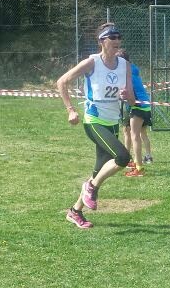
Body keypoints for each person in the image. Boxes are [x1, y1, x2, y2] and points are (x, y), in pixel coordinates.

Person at [56, 23, 134, 229]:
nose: (117, 40)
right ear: (102, 41)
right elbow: (62, 82)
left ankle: (75, 211)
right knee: (123, 157)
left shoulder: (125, 65)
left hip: (113, 122)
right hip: (94, 121)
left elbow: (132, 100)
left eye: (119, 36)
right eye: (112, 37)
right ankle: (91, 187)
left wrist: (127, 95)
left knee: (99, 171)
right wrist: (71, 110)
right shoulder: (92, 62)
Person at [117, 49, 154, 177]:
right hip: (145, 105)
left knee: (135, 136)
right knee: (135, 134)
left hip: (138, 106)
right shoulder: (133, 69)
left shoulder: (126, 74)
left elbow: (128, 93)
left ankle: (139, 168)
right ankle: (136, 161)